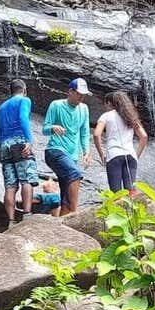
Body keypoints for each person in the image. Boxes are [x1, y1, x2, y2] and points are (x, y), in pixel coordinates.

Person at [43, 78, 92, 215]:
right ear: (70, 91)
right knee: (75, 173)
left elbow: (84, 132)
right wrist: (53, 127)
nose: (81, 97)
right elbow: (44, 129)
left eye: (84, 95)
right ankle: (75, 213)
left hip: (72, 156)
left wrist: (86, 151)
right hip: (54, 151)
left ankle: (63, 224)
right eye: (79, 94)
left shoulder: (84, 109)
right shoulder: (56, 105)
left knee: (65, 196)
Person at [0, 79, 39, 225]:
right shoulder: (24, 100)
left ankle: (11, 220)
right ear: (24, 90)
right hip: (19, 141)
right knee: (26, 179)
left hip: (4, 145)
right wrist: (28, 140)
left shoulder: (1, 107)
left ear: (11, 91)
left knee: (10, 185)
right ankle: (27, 215)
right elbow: (23, 118)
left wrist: (1, 148)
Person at [93, 91, 148, 192]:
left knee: (116, 192)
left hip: (114, 155)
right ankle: (132, 208)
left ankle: (117, 207)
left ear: (110, 103)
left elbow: (96, 134)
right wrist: (136, 155)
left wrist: (101, 154)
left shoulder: (106, 116)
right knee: (131, 190)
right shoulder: (131, 117)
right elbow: (144, 136)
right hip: (130, 155)